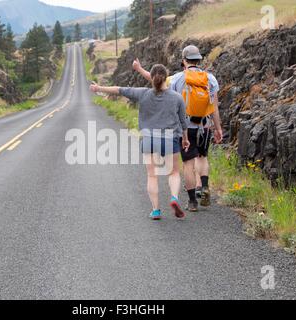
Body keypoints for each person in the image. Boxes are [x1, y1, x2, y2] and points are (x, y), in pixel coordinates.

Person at [90, 64, 190, 220]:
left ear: (151, 77)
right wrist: (185, 139)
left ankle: (156, 210)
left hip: (149, 140)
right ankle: (174, 198)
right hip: (170, 139)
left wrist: (99, 88)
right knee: (174, 172)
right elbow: (183, 122)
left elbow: (119, 89)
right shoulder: (177, 97)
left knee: (152, 176)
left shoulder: (143, 94)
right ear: (166, 77)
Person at [132, 45, 223, 213]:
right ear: (199, 60)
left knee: (188, 163)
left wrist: (139, 69)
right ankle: (203, 186)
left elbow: (157, 82)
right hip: (204, 125)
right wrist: (217, 128)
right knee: (202, 157)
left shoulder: (177, 78)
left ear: (184, 61)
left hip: (185, 127)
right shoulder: (210, 79)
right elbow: (214, 107)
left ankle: (192, 202)